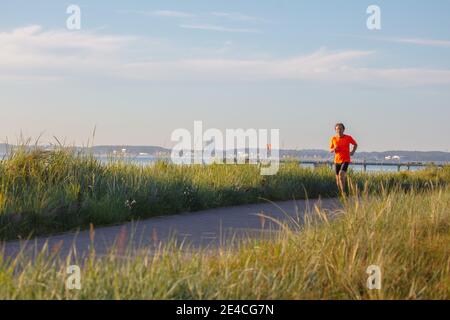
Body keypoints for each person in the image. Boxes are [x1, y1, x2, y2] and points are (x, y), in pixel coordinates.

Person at [330, 123, 358, 194]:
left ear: (343, 129)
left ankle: (343, 193)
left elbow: (355, 144)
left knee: (341, 173)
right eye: (337, 129)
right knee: (338, 178)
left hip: (345, 159)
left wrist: (352, 152)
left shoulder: (348, 137)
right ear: (335, 130)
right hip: (337, 160)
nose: (339, 130)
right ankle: (340, 193)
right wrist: (334, 148)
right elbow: (330, 150)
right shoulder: (333, 138)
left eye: (340, 129)